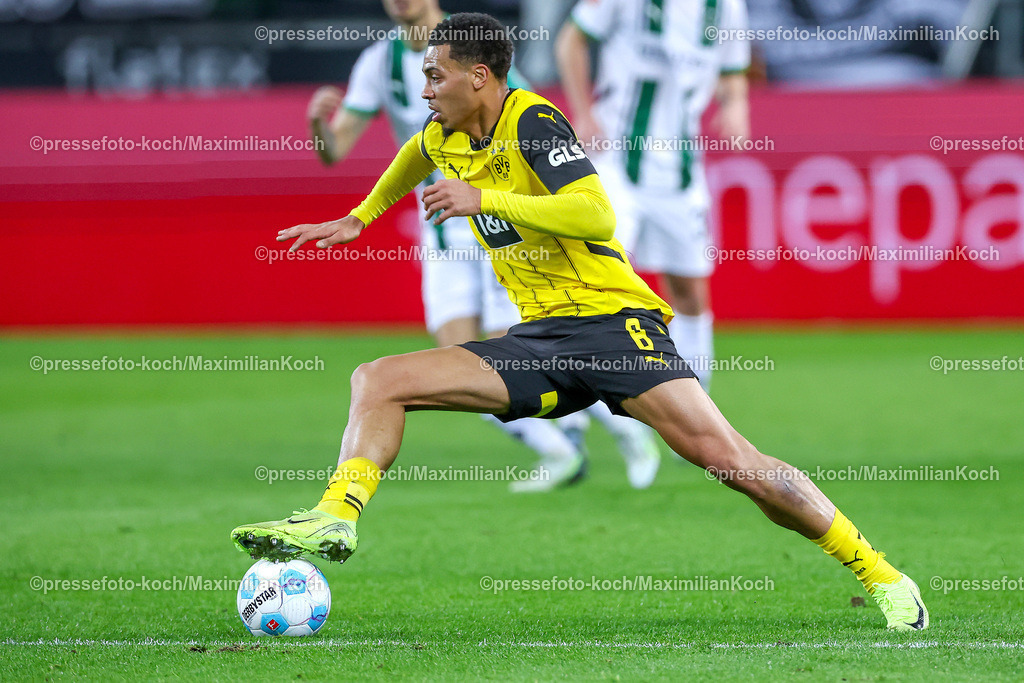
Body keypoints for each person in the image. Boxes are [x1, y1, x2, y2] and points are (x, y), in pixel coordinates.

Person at [233, 12, 928, 631]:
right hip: (539, 339)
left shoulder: (532, 121)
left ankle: (882, 574)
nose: (424, 89)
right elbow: (413, 156)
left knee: (735, 465)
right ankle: (337, 516)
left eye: (434, 76)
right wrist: (359, 218)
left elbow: (596, 214)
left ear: (479, 77)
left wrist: (486, 197)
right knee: (378, 377)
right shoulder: (443, 132)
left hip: (613, 328)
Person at [308, 0, 662, 491]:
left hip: (506, 223)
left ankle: (615, 426)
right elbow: (369, 149)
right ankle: (559, 450)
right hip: (444, 225)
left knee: (520, 347)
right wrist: (337, 171)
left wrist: (496, 196)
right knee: (460, 358)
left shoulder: (477, 57)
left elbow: (529, 133)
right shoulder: (378, 63)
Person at [555, 0, 753, 391]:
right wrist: (581, 112)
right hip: (613, 158)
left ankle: (697, 405)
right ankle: (592, 396)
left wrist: (736, 106)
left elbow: (732, 71)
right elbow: (569, 41)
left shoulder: (726, 7)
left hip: (678, 170)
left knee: (689, 292)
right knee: (606, 273)